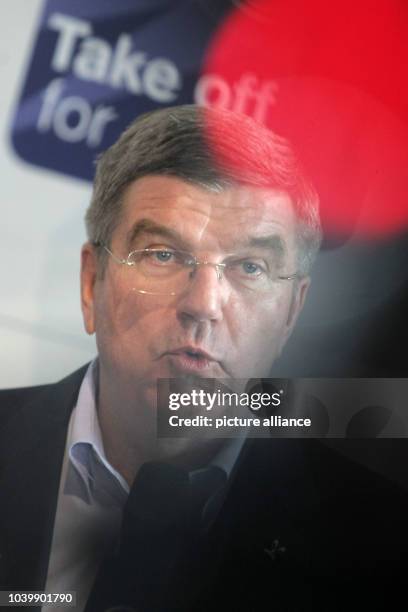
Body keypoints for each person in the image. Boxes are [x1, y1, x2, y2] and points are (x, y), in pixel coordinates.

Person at [1, 105, 407, 612]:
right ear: (91, 284)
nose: (204, 304)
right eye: (163, 255)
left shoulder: (377, 547)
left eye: (251, 267)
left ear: (291, 313)